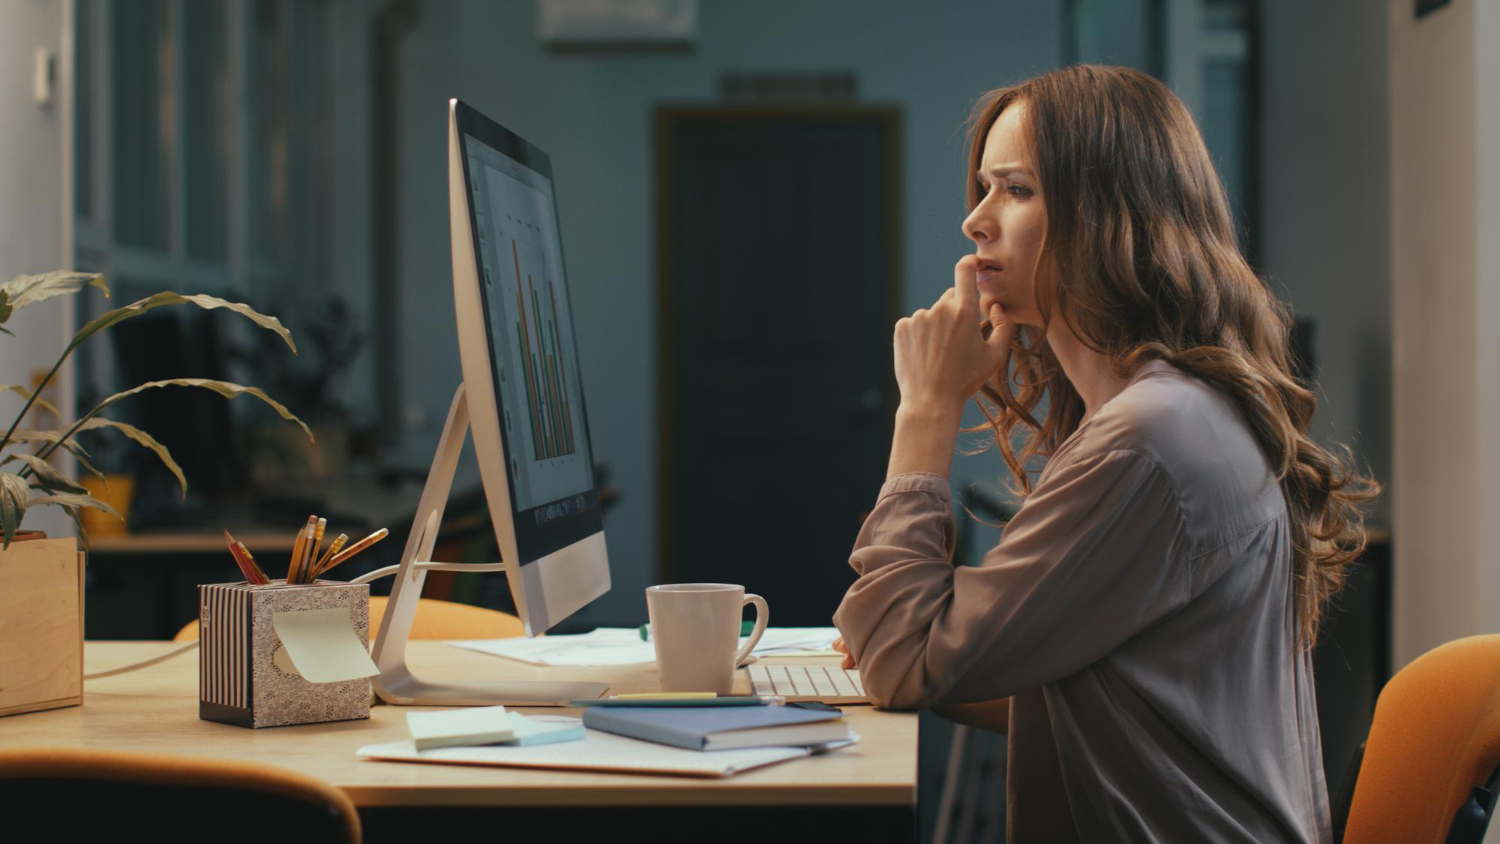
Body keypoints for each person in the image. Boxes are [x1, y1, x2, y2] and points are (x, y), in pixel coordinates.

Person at [829, 65, 1378, 843]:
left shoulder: (1149, 440)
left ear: (1107, 217)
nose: (976, 222)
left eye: (1016, 190)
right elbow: (1055, 680)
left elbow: (905, 659)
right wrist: (917, 643)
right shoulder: (1167, 413)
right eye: (983, 188)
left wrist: (925, 409)